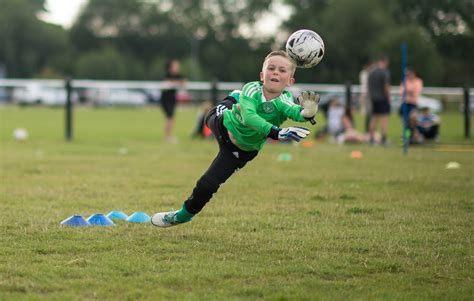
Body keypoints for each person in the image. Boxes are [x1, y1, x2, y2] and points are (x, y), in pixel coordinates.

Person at [151, 50, 319, 227]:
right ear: (262, 75)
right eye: (271, 68)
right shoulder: (252, 88)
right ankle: (234, 97)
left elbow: (294, 111)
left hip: (239, 151)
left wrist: (307, 113)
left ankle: (181, 216)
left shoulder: (285, 101)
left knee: (207, 185)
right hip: (224, 124)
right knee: (213, 114)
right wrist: (277, 132)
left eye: (282, 70)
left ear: (290, 82)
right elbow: (249, 117)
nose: (276, 72)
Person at [161, 59, 186, 143]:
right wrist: (177, 82)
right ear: (170, 67)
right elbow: (167, 83)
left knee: (171, 117)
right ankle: (167, 136)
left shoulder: (178, 75)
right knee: (169, 117)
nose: (177, 67)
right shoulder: (167, 75)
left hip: (173, 99)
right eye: (175, 65)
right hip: (165, 99)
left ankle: (168, 135)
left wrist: (179, 82)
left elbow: (184, 82)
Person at [368, 56, 391, 145]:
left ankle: (371, 139)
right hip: (383, 98)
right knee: (384, 119)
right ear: (384, 62)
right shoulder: (384, 72)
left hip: (374, 99)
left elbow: (368, 86)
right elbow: (386, 87)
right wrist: (388, 97)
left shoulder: (372, 72)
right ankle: (384, 139)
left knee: (373, 118)